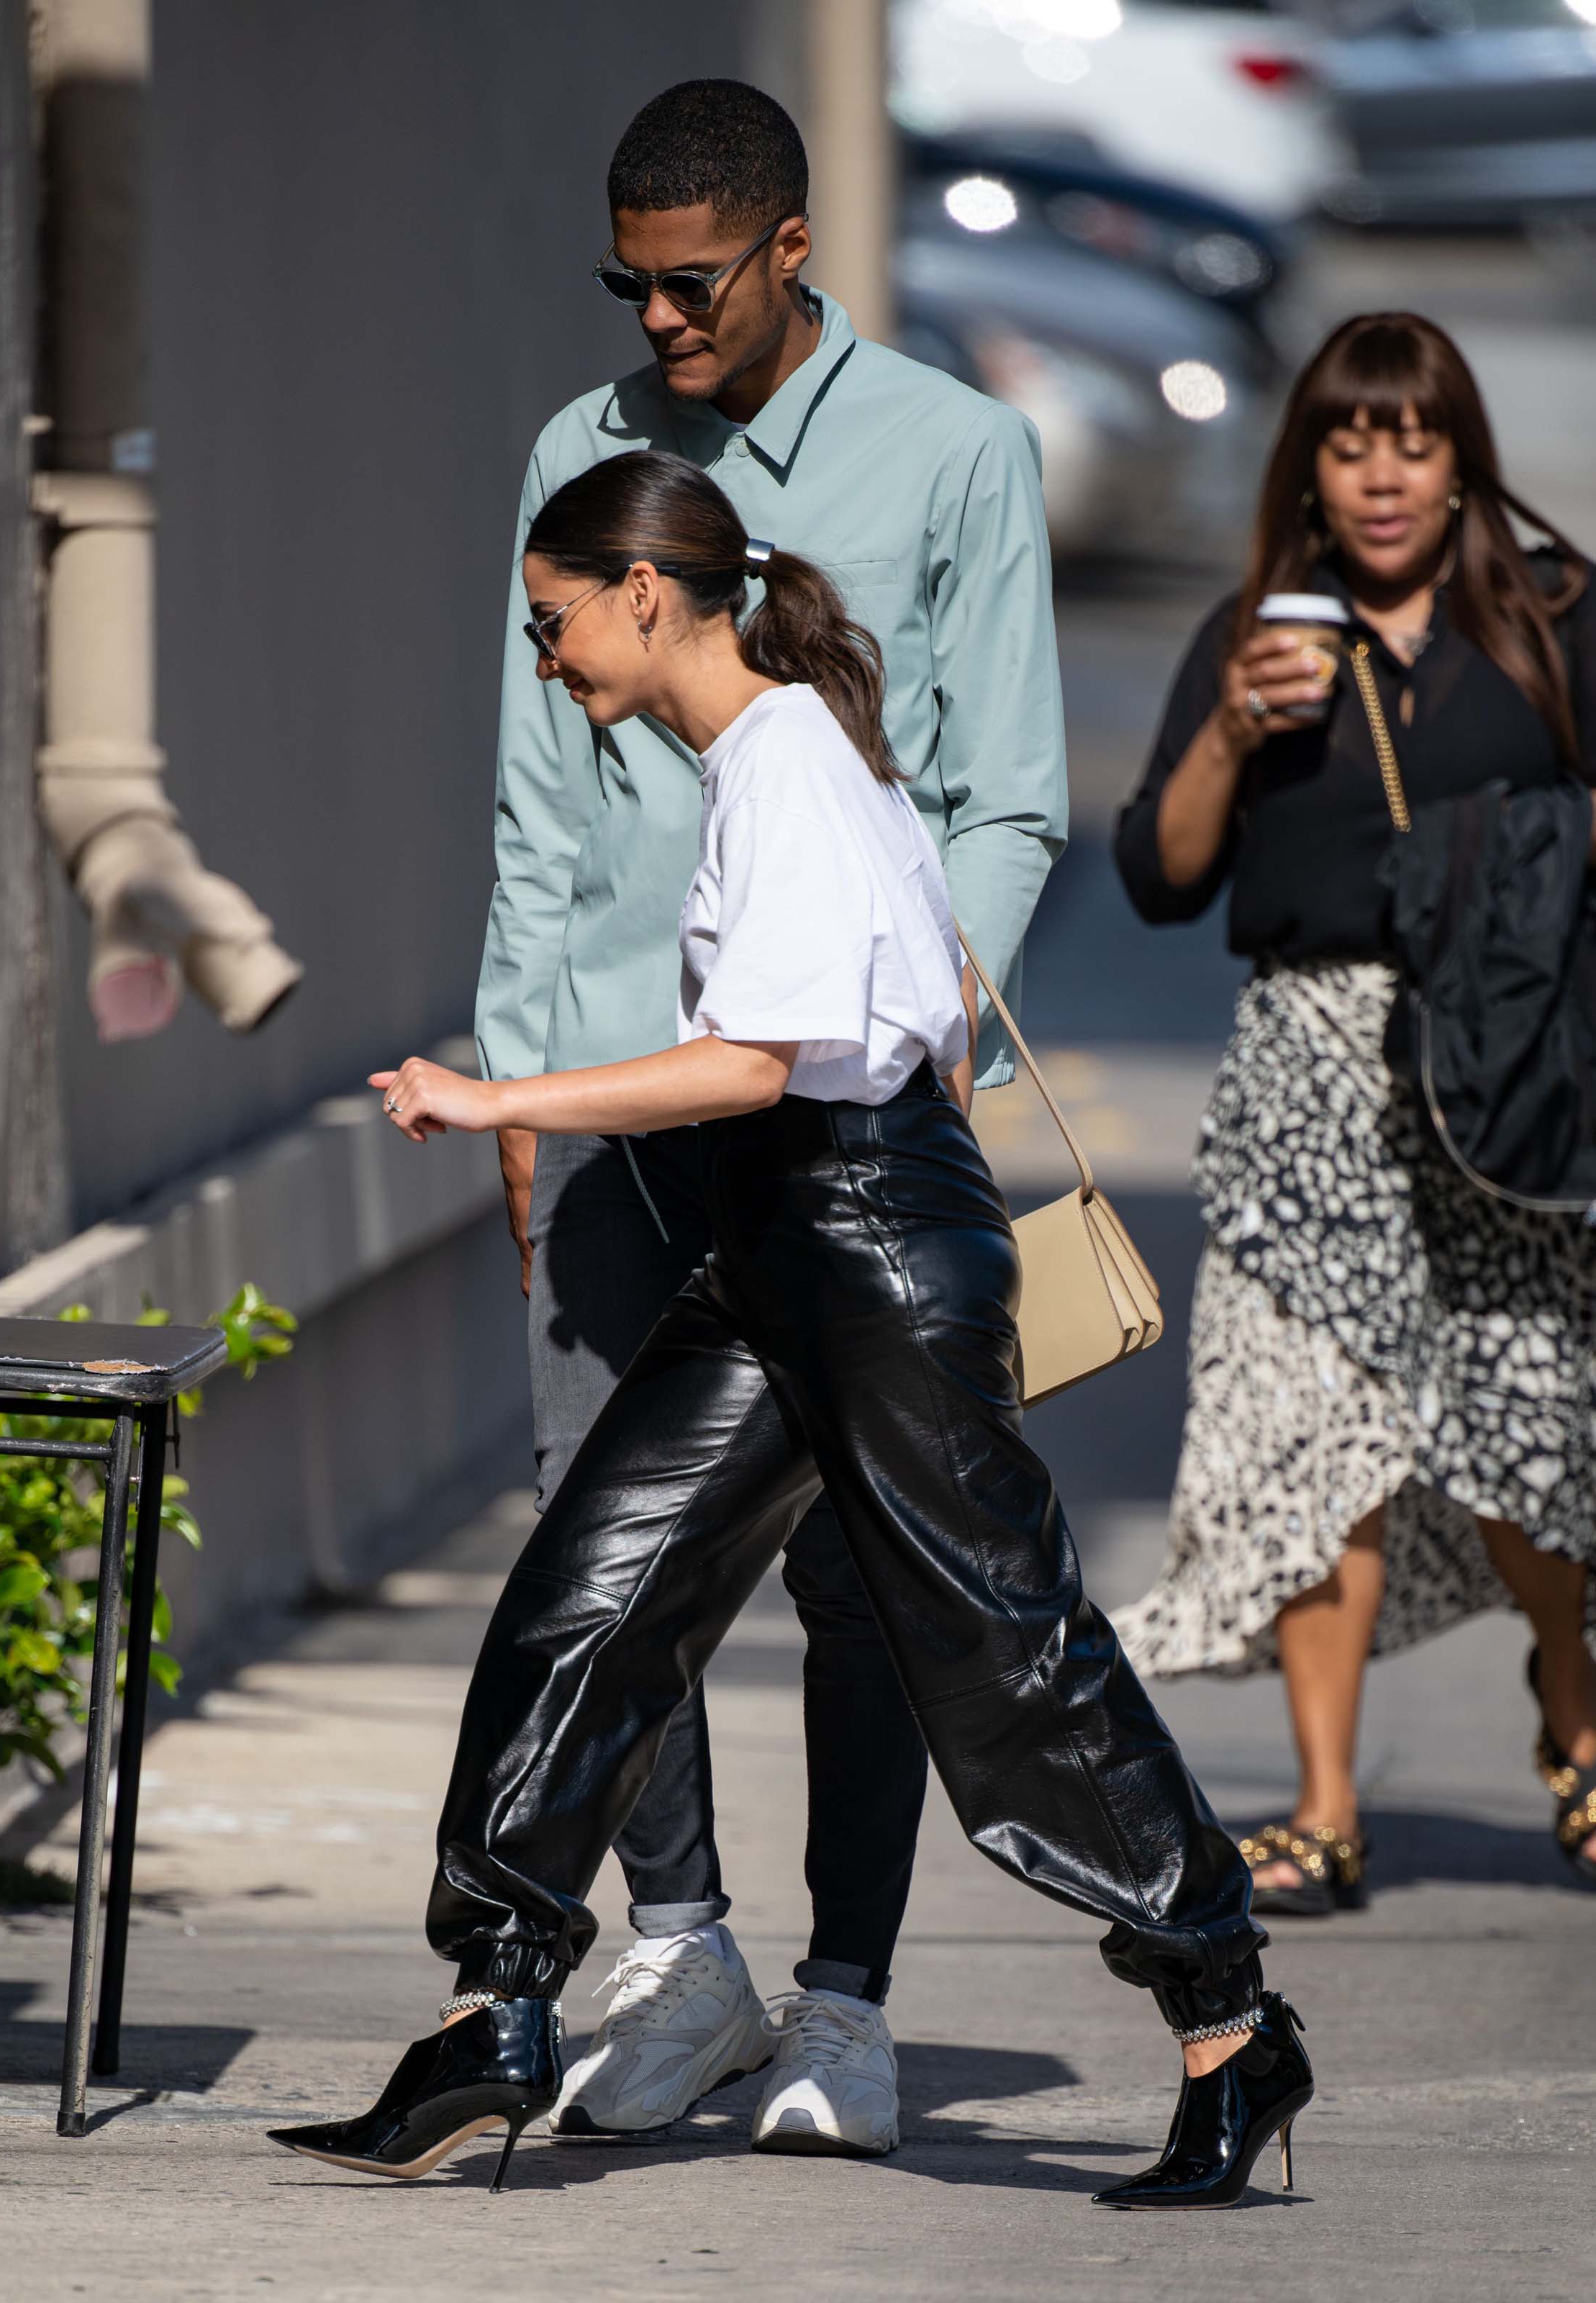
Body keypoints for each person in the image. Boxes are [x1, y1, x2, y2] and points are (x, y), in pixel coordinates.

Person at [268, 450, 1309, 2207]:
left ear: (646, 594)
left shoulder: (791, 769)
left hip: (876, 1247)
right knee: (589, 1591)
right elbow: (907, 1005)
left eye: (555, 625)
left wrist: (496, 1093)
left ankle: (1227, 2015)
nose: (548, 664)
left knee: (1004, 1658)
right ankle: (497, 2008)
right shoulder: (774, 761)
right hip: (779, 1246)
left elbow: (759, 1058)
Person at [471, 81, 1068, 2153]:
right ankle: (689, 1948)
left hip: (834, 1121)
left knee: (860, 1574)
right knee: (605, 1550)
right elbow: (539, 807)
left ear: (792, 246)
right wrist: (519, 1084)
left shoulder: (956, 454)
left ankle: (845, 1999)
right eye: (626, 284)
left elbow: (1006, 799)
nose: (658, 321)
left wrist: (922, 1051)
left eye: (692, 280)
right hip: (629, 1108)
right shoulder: (579, 456)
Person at [1112, 312, 1596, 1914]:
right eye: (1347, 441)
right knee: (1321, 1442)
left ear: (1461, 460)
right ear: (1308, 471)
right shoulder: (1252, 632)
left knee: (1523, 1428)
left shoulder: (1552, 622)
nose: (1382, 473)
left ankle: (1574, 1705)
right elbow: (1159, 876)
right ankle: (1324, 1808)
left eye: (1413, 439)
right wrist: (1238, 730)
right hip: (1307, 1080)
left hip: (1507, 1080)